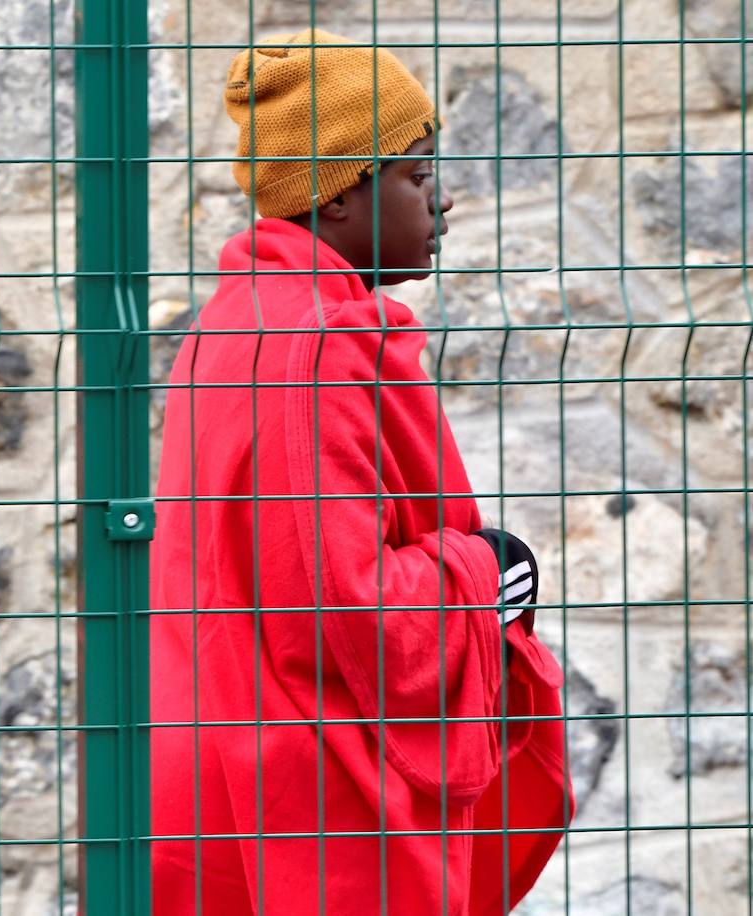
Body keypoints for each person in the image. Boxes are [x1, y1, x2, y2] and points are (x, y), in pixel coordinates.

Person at [150, 30, 570, 915]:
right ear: (338, 193)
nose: (443, 199)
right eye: (418, 175)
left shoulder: (235, 321)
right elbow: (350, 605)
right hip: (318, 801)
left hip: (219, 748)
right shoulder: (322, 346)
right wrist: (490, 569)